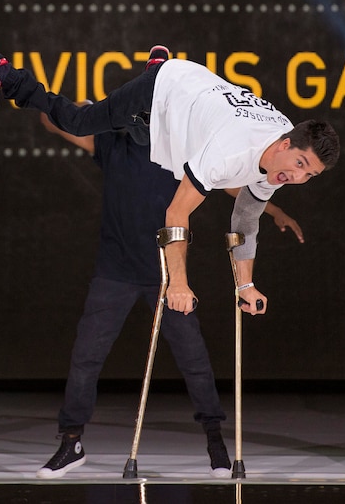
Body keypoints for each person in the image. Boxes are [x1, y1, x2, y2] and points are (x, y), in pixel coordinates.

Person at [0, 46, 340, 319]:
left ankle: (155, 66)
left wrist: (245, 286)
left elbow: (244, 222)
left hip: (183, 118)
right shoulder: (229, 151)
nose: (298, 177)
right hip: (167, 89)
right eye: (301, 164)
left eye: (310, 175)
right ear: (286, 143)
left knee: (148, 140)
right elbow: (176, 212)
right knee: (76, 122)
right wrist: (177, 283)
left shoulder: (278, 161)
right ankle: (5, 74)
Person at [35, 108, 306, 478]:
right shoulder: (111, 143)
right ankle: (71, 441)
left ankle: (215, 441)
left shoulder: (184, 151)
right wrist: (82, 110)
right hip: (115, 273)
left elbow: (234, 186)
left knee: (194, 360)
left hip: (167, 273)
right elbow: (52, 121)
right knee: (86, 358)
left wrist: (273, 210)